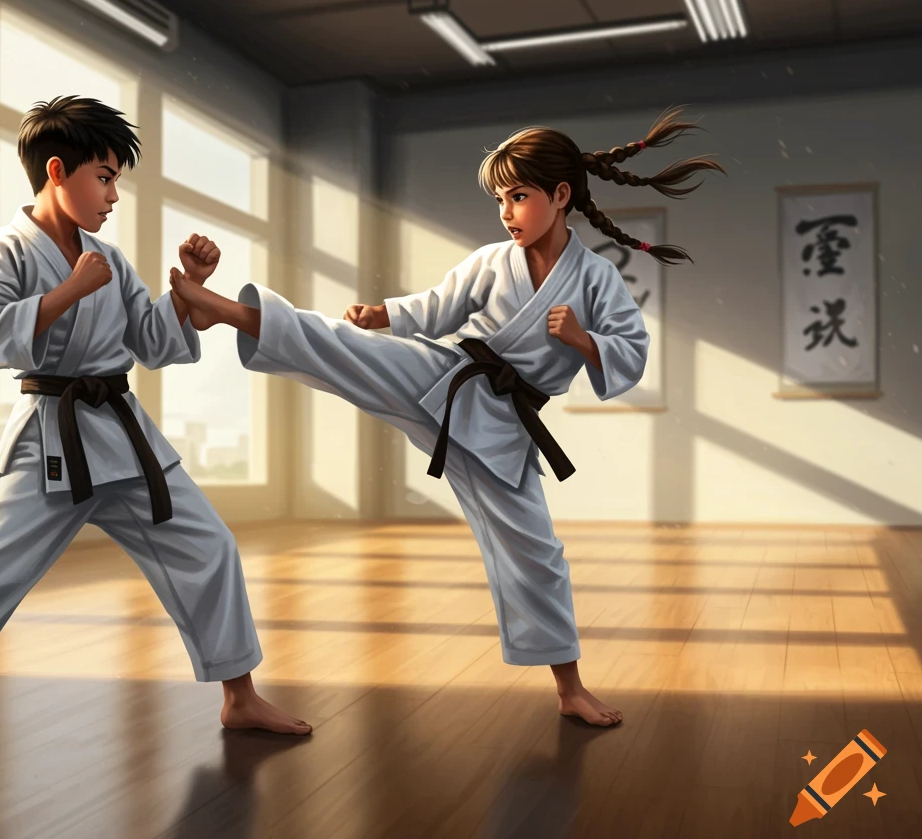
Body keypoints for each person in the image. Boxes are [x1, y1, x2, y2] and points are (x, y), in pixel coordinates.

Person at [166, 108, 724, 727]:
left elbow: (633, 349)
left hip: (504, 429)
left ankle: (569, 688)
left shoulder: (594, 280)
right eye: (501, 200)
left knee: (536, 552)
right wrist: (385, 316)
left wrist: (585, 342)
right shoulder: (492, 261)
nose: (507, 212)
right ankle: (223, 311)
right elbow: (439, 308)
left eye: (519, 196)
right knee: (347, 349)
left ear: (561, 195)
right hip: (446, 381)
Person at [0, 96, 311, 755]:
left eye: (116, 179)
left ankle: (239, 697)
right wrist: (68, 290)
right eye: (104, 177)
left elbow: (151, 342)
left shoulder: (110, 259)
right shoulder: (3, 249)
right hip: (51, 437)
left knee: (208, 545)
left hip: (123, 436)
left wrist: (190, 289)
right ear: (57, 172)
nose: (114, 195)